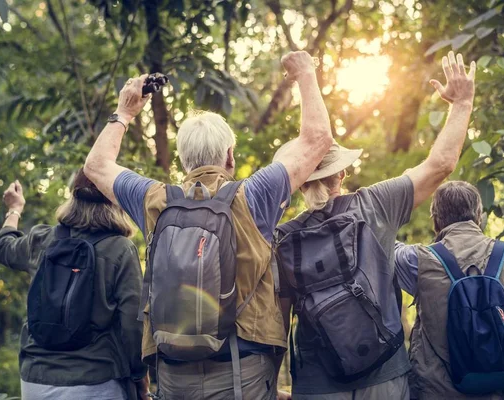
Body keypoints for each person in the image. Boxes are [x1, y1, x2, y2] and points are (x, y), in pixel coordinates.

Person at [83, 50, 332, 399]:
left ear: (184, 160)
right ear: (230, 155)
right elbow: (318, 139)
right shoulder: (254, 195)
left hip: (171, 374)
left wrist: (125, 112)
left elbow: (95, 167)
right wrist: (306, 73)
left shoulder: (154, 200)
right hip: (242, 372)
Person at [275, 51, 476, 399]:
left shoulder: (283, 238)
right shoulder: (375, 204)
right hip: (384, 377)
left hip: (316, 384)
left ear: (301, 182)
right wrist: (462, 102)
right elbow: (441, 163)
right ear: (341, 172)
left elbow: (278, 322)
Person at [394, 181, 504, 400]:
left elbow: (381, 240)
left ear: (436, 219)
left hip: (436, 392)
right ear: (479, 216)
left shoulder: (417, 261)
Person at [0, 169, 149, 400]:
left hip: (36, 379)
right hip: (96, 381)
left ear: (73, 197)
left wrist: (14, 209)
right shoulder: (120, 250)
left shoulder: (44, 239)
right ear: (116, 200)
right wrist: (139, 377)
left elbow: (4, 247)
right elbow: (133, 326)